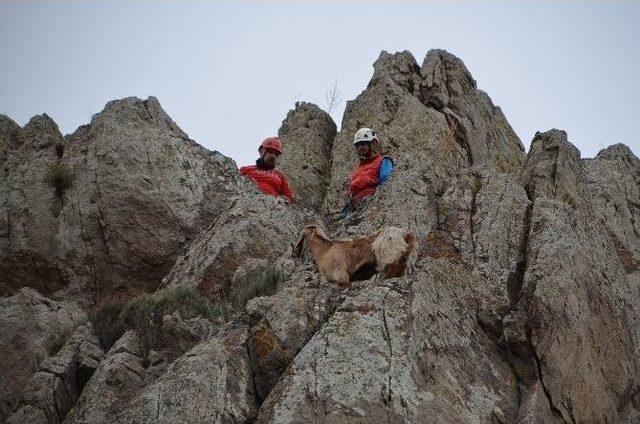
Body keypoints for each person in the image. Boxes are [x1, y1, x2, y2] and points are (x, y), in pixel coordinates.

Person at [347, 127, 394, 203]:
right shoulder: (358, 168)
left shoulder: (384, 161)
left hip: (370, 201)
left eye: (363, 144)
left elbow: (386, 184)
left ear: (373, 143)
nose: (360, 147)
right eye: (358, 145)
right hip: (353, 205)